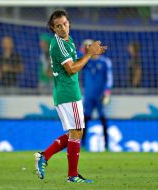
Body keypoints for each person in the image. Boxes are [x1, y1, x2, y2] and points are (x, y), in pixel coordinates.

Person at [34, 10, 107, 183]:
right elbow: (72, 69)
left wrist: (89, 53)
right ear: (53, 28)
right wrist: (89, 54)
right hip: (67, 93)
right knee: (76, 133)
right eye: (58, 26)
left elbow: (75, 63)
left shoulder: (69, 40)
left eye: (65, 24)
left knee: (76, 132)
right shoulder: (58, 44)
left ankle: (45, 157)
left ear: (69, 24)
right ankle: (71, 175)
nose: (63, 28)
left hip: (69, 92)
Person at [80, 39, 113, 150]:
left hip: (100, 96)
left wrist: (107, 92)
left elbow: (109, 79)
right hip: (89, 96)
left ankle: (107, 145)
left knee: (103, 119)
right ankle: (83, 144)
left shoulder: (105, 62)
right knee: (85, 119)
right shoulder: (85, 61)